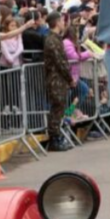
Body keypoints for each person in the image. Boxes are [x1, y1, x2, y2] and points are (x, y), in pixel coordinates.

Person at [43, 12, 73, 152]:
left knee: (60, 108)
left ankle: (57, 136)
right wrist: (69, 77)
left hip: (59, 79)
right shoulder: (52, 40)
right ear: (56, 22)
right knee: (57, 108)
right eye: (61, 21)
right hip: (56, 79)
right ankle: (54, 138)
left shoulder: (56, 39)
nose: (63, 23)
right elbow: (60, 62)